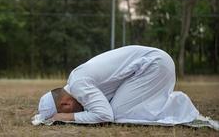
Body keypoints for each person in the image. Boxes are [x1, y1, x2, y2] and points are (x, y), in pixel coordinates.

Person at [37, 45, 199, 125]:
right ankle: (172, 104)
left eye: (61, 111)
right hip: (156, 62)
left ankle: (178, 104)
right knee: (120, 107)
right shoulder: (75, 80)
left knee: (118, 113)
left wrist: (66, 117)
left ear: (66, 103)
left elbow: (105, 116)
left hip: (154, 65)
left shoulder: (78, 85)